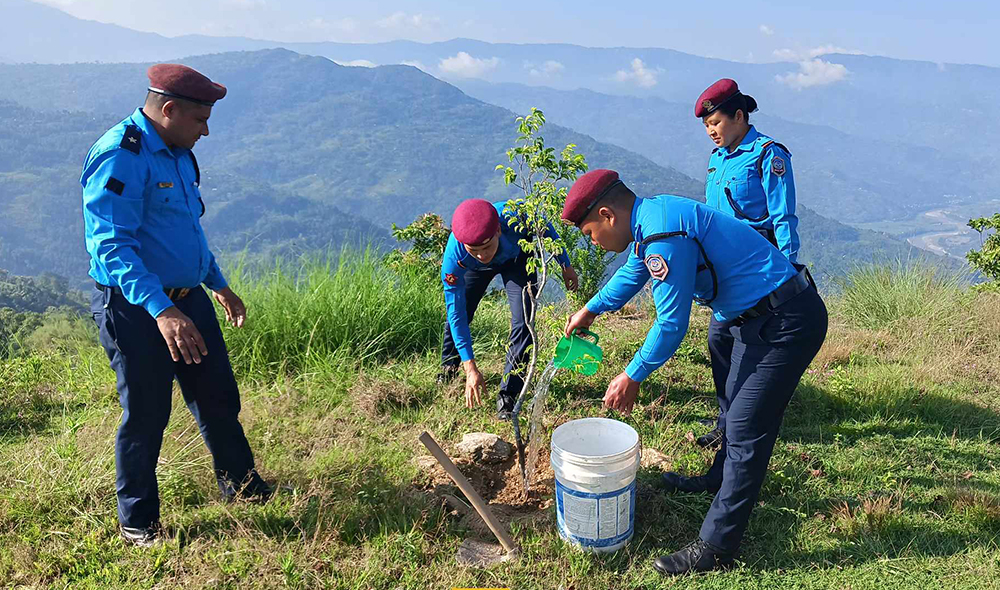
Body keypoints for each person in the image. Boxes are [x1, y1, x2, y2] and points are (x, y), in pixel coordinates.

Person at [561, 169, 827, 574]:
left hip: (785, 323)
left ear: (606, 214)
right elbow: (635, 272)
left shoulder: (663, 235)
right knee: (732, 409)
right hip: (752, 318)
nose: (593, 241)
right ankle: (718, 480)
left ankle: (715, 549)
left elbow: (670, 324)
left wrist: (632, 375)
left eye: (590, 231)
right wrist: (592, 308)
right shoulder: (651, 218)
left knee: (744, 431)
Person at [82, 64, 270, 547]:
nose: (206, 130)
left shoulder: (179, 152)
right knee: (146, 415)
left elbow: (186, 230)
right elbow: (111, 247)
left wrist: (218, 284)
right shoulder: (121, 157)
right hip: (138, 309)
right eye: (200, 119)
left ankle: (242, 487)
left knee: (218, 397)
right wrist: (162, 311)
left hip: (190, 299)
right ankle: (137, 521)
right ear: (169, 110)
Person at [696, 78, 802, 450]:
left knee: (749, 342)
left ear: (739, 116)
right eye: (707, 126)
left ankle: (747, 418)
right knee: (720, 341)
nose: (711, 131)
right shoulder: (718, 159)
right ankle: (729, 420)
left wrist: (788, 272)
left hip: (761, 271)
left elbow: (783, 217)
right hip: (724, 272)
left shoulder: (767, 155)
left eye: (717, 123)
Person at [440, 199, 579, 419]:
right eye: (474, 249)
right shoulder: (455, 256)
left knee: (523, 321)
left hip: (517, 259)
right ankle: (449, 369)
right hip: (474, 270)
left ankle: (509, 394)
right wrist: (471, 367)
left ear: (497, 230)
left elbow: (546, 229)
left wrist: (566, 266)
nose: (482, 254)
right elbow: (456, 315)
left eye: (486, 247)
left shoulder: (516, 216)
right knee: (461, 312)